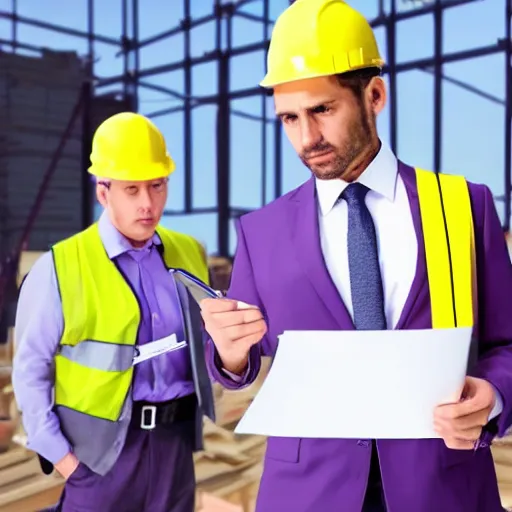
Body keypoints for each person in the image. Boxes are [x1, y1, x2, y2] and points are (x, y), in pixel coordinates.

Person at [200, 1, 512, 511]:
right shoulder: (262, 232)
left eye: (322, 110)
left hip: (442, 486)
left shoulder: (464, 206)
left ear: (374, 95)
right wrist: (230, 350)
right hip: (308, 494)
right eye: (289, 118)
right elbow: (239, 364)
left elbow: (507, 343)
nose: (307, 138)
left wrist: (494, 396)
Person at [12, 112, 215, 512]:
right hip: (99, 459)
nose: (148, 203)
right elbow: (30, 372)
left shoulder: (189, 253)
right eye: (132, 190)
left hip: (174, 448)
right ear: (103, 192)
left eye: (157, 186)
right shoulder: (60, 267)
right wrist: (66, 462)